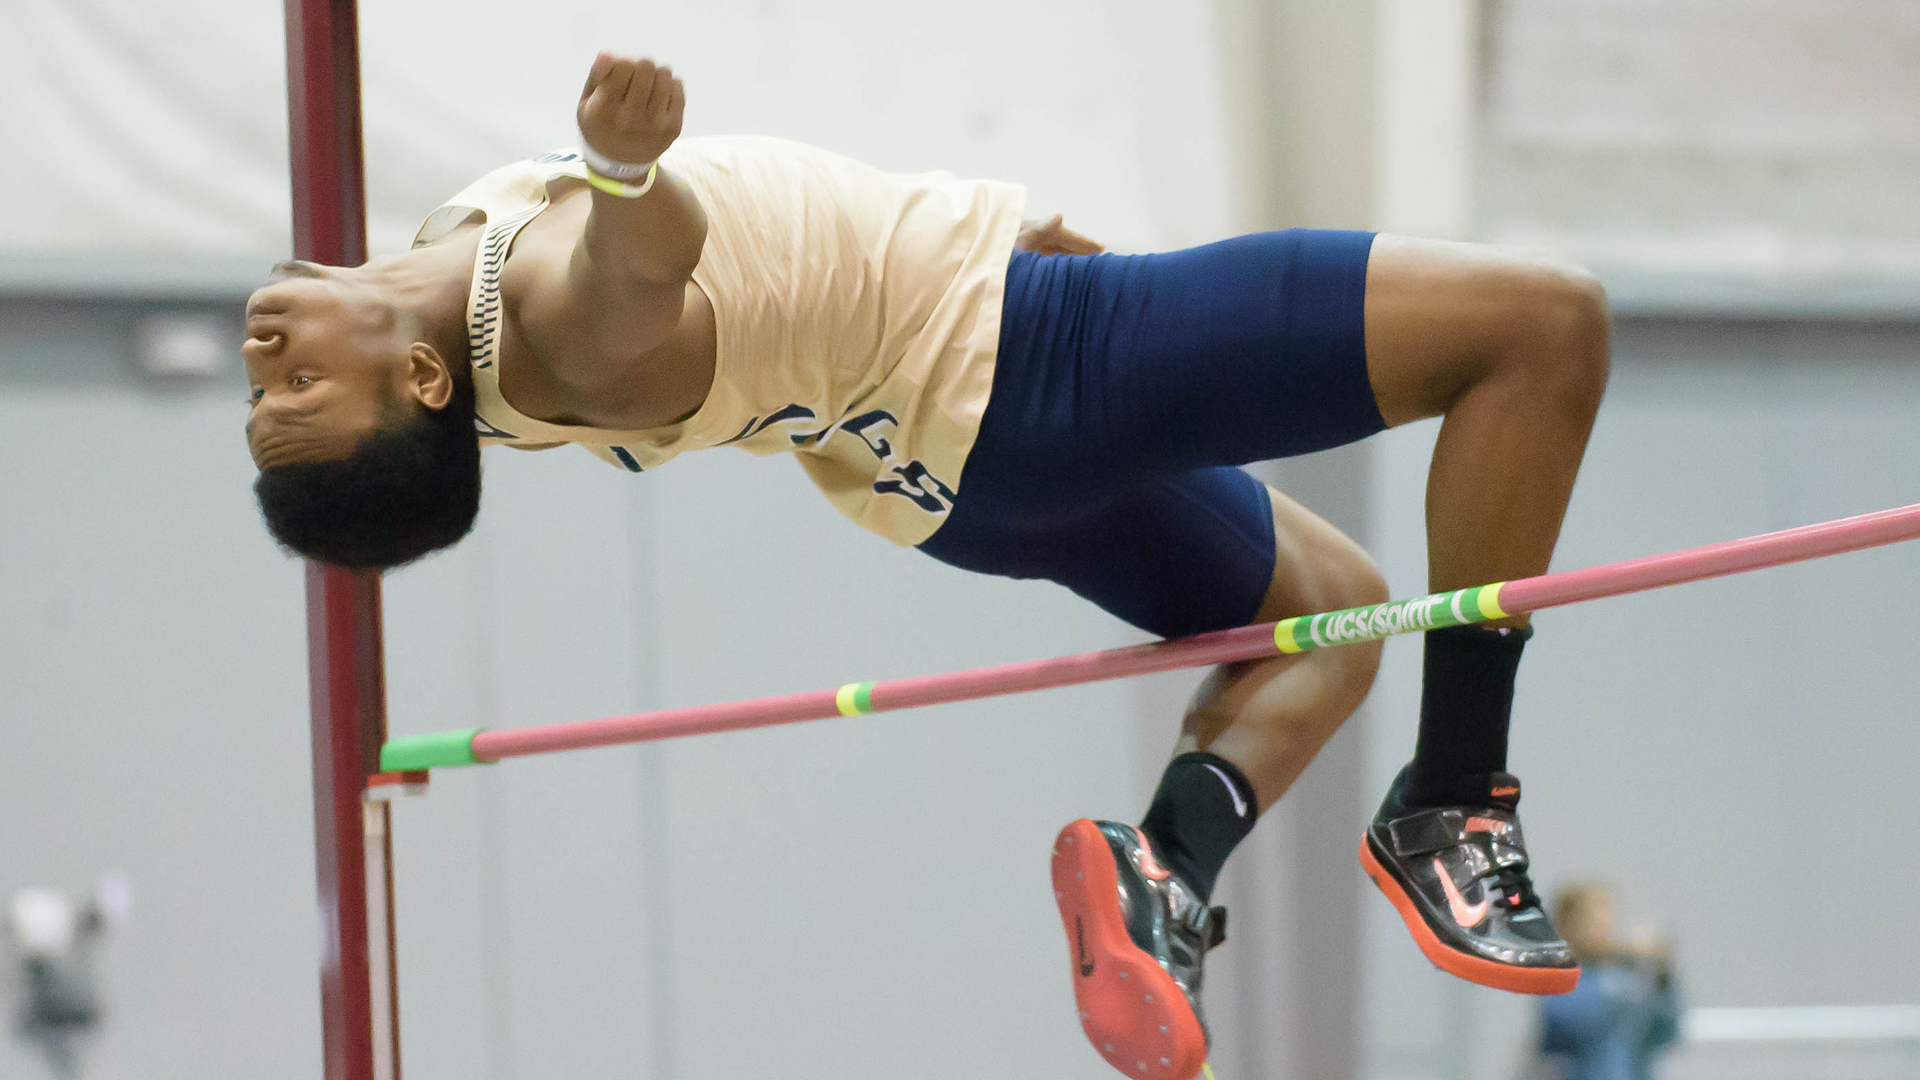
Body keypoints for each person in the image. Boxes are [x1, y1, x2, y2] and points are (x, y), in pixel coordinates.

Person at [242, 53, 1609, 1079]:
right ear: (420, 380)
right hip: (1026, 366)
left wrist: (974, 232)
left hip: (955, 480)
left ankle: (1166, 866)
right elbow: (636, 276)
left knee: (1336, 616)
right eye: (300, 384)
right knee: (1541, 327)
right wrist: (622, 171)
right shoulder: (552, 324)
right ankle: (1457, 804)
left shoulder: (451, 279)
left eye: (265, 389)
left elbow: (771, 269)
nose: (261, 358)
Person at [1537, 883, 1682, 1080]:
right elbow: (1568, 1021)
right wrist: (1626, 955)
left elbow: (1664, 1032)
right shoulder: (1557, 978)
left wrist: (1663, 976)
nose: (1605, 925)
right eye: (1593, 919)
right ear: (1568, 925)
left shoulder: (1626, 979)